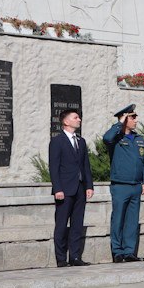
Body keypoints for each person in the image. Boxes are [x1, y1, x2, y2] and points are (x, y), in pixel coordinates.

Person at [48, 109, 94, 267]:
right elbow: (54, 167)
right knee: (61, 224)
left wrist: (89, 185)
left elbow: (85, 166)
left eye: (79, 117)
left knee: (77, 224)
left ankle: (75, 257)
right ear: (66, 122)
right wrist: (58, 188)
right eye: (75, 117)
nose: (79, 119)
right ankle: (61, 258)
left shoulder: (81, 141)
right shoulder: (57, 141)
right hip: (65, 190)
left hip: (80, 189)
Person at [102, 104, 144, 263]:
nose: (136, 120)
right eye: (132, 117)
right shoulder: (115, 138)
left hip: (135, 186)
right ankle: (117, 251)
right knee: (118, 219)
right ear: (124, 119)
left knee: (132, 221)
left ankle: (129, 251)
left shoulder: (139, 139)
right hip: (120, 185)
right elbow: (106, 138)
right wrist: (119, 123)